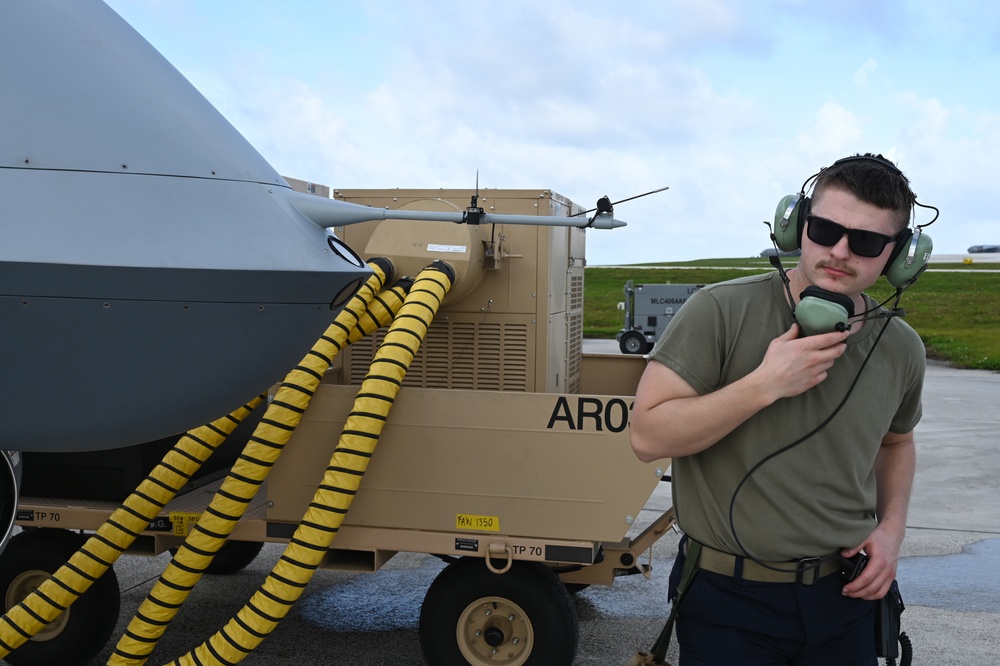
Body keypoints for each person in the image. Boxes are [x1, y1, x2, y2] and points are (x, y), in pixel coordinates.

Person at [630, 154, 925, 665]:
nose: (838, 251)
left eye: (866, 242)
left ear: (900, 256)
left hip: (845, 596)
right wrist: (764, 385)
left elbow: (896, 441)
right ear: (796, 226)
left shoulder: (901, 348)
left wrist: (892, 529)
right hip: (729, 597)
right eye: (824, 229)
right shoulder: (719, 311)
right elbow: (648, 436)